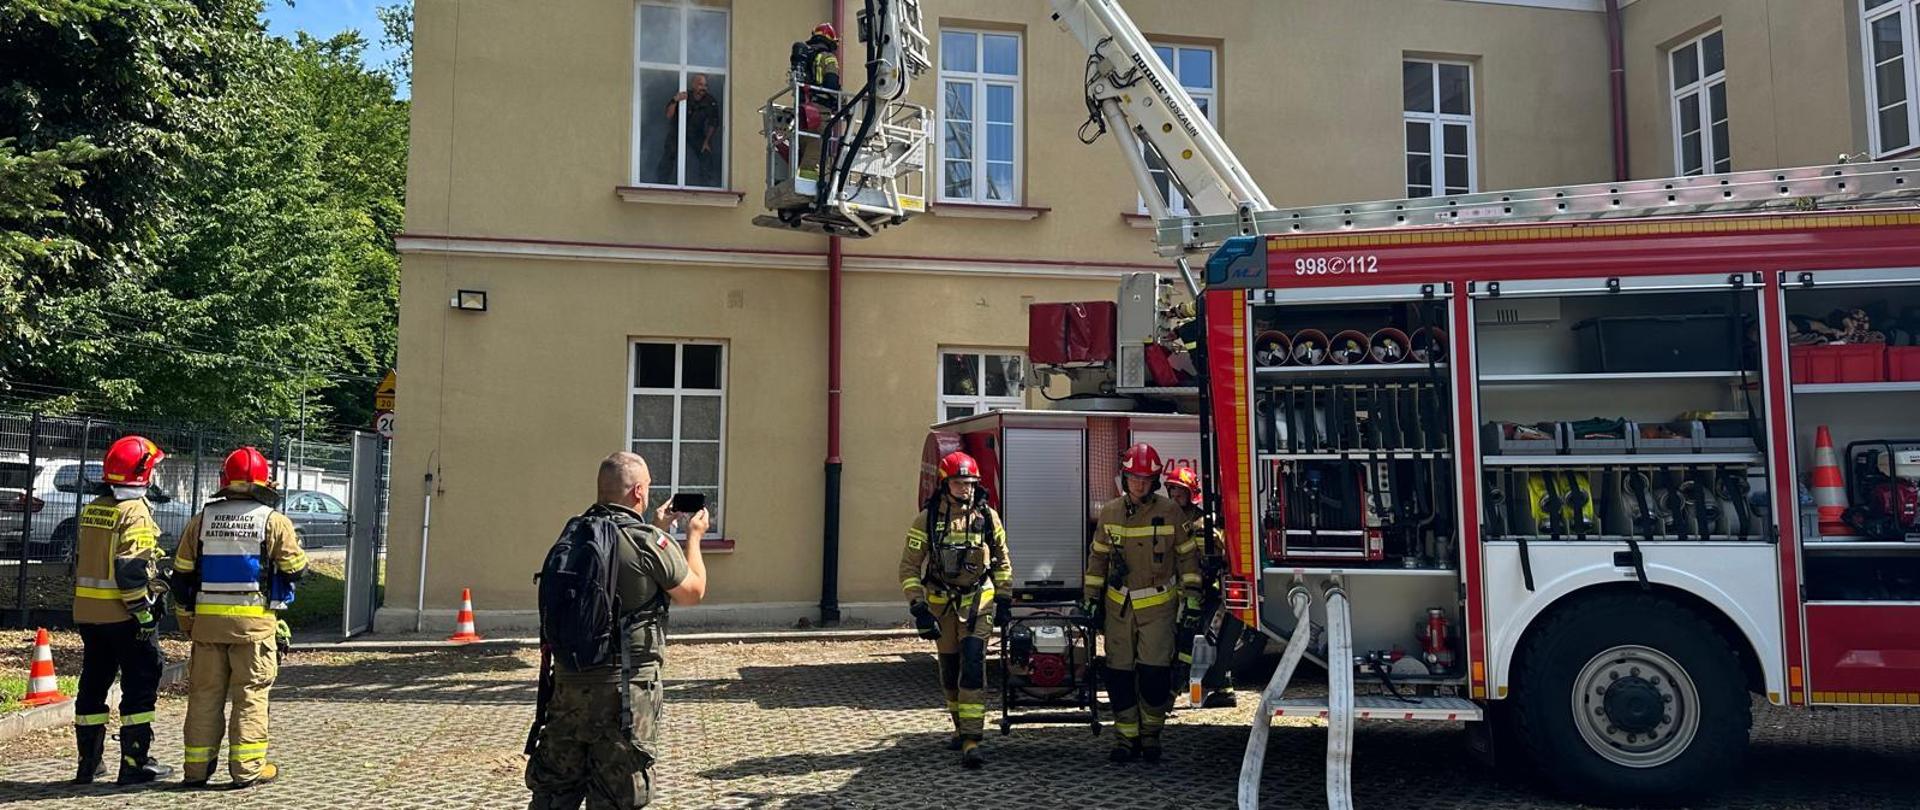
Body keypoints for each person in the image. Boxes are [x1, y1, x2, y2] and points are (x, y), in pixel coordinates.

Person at [526, 452, 708, 809]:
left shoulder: (574, 535)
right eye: (648, 486)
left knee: (552, 796)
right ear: (638, 491)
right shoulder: (647, 542)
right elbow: (693, 591)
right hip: (623, 697)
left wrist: (657, 528)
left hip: (566, 689)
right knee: (615, 798)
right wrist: (694, 537)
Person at [170, 447, 308, 789]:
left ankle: (196, 770)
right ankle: (247, 770)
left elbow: (181, 577)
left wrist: (187, 620)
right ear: (264, 482)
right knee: (250, 695)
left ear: (225, 481)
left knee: (204, 695)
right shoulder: (273, 521)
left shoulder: (201, 520)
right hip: (253, 628)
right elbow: (296, 569)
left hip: (208, 627)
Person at [1083, 443, 1199, 764]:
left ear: (1155, 481)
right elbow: (1097, 560)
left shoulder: (1171, 512)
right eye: (1134, 478)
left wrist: (1192, 595)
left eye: (1145, 479)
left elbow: (1187, 558)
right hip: (1118, 609)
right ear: (1125, 478)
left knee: (1154, 675)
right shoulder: (1110, 512)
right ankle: (1126, 738)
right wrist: (1090, 598)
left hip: (1158, 608)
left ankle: (1151, 735)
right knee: (1118, 674)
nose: (1139, 484)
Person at [70, 434, 173, 785]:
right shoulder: (135, 512)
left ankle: (88, 764)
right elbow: (130, 571)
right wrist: (144, 614)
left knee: (93, 683)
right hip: (124, 616)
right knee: (140, 683)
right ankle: (134, 763)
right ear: (142, 473)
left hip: (89, 615)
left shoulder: (94, 508)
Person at [898, 450, 1012, 769]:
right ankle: (960, 727)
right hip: (941, 604)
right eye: (960, 483)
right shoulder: (927, 519)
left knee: (973, 664)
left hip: (978, 601)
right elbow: (909, 567)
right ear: (945, 483)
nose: (966, 489)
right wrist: (919, 607)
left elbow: (1002, 559)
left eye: (971, 483)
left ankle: (972, 740)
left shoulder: (987, 516)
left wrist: (1004, 597)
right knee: (950, 669)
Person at [1164, 465, 1240, 709]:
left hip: (1201, 592)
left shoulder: (1199, 524)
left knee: (1186, 643)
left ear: (1191, 494)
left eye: (1180, 492)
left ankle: (1171, 693)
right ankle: (1223, 687)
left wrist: (1196, 594)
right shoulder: (1170, 518)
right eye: (1172, 490)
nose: (1175, 496)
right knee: (1204, 639)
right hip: (1180, 592)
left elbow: (1208, 561)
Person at [657, 73, 722, 187]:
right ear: (693, 85)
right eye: (700, 84)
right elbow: (668, 115)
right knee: (669, 153)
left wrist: (706, 141)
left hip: (696, 132)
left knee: (706, 154)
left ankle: (706, 187)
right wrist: (675, 100)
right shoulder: (684, 96)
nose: (703, 88)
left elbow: (714, 123)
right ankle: (661, 184)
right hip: (677, 130)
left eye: (705, 85)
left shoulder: (709, 101)